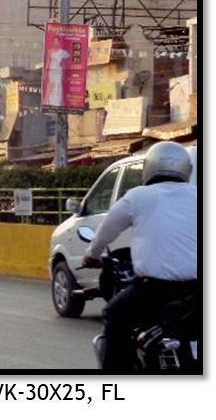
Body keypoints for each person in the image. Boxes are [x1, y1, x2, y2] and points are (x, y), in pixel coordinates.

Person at [82, 142, 196, 369]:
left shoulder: (137, 197)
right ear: (186, 168)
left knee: (114, 314)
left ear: (149, 167)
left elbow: (105, 232)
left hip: (154, 290)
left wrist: (91, 256)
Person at [44, 35, 69, 107]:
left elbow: (66, 62)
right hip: (52, 70)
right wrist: (45, 73)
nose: (56, 43)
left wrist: (63, 72)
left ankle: (58, 103)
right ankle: (47, 100)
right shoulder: (50, 51)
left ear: (59, 42)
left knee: (58, 85)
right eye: (54, 41)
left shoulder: (62, 52)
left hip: (59, 71)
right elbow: (48, 62)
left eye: (57, 41)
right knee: (51, 84)